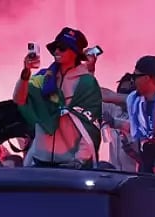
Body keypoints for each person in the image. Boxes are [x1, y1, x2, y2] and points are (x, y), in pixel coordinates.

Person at [13, 28, 102, 167]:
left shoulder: (87, 83)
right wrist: (26, 72)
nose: (56, 51)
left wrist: (79, 161)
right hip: (39, 160)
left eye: (62, 48)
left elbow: (91, 127)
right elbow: (19, 99)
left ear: (75, 53)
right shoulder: (44, 77)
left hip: (70, 163)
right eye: (55, 47)